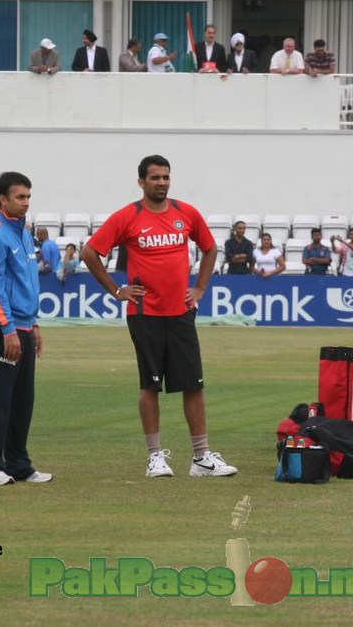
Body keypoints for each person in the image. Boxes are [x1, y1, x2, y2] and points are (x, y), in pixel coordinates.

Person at [80, 154, 236, 478]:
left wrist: (200, 289)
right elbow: (90, 252)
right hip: (144, 313)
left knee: (193, 385)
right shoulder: (128, 216)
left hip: (181, 312)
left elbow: (209, 248)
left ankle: (201, 458)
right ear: (141, 182)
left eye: (166, 177)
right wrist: (116, 290)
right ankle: (155, 457)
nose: (161, 183)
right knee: (150, 385)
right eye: (155, 178)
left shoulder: (186, 213)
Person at [0, 171, 50, 486]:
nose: (26, 203)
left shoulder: (24, 232)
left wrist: (32, 325)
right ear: (2, 199)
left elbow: (26, 283)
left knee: (23, 399)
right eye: (20, 197)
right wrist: (7, 329)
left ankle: (18, 463)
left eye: (28, 197)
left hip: (23, 326)